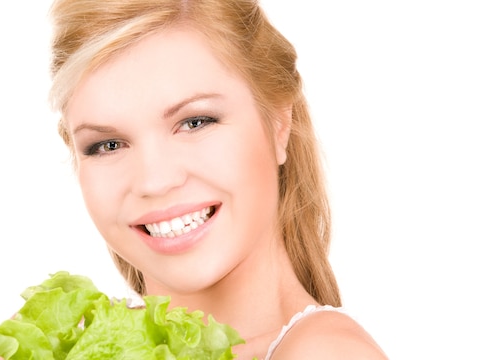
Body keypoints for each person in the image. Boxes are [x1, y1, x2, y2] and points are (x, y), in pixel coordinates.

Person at [47, 0, 388, 359]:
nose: (155, 181)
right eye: (108, 145)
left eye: (196, 122)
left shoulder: (325, 353)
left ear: (278, 124)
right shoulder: (77, 346)